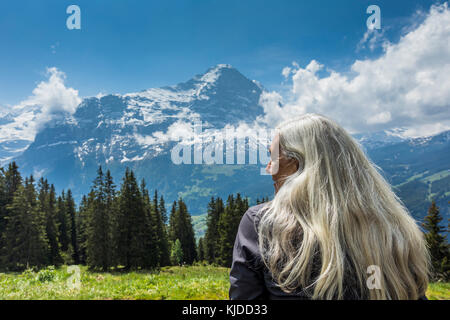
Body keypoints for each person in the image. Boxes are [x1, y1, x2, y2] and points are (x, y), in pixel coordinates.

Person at [229, 114, 430, 300]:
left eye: (273, 157)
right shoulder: (393, 230)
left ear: (299, 164)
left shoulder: (262, 224)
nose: (268, 168)